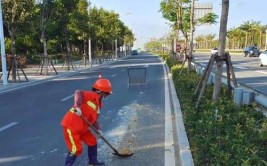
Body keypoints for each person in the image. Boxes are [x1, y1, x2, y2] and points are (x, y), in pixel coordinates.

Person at [61, 76, 112, 166]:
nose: (107, 96)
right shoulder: (90, 95)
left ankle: (92, 162)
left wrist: (98, 129)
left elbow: (94, 119)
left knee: (92, 141)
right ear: (102, 92)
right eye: (107, 94)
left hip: (83, 128)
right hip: (72, 126)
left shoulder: (99, 104)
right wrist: (77, 107)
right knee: (76, 149)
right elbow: (78, 93)